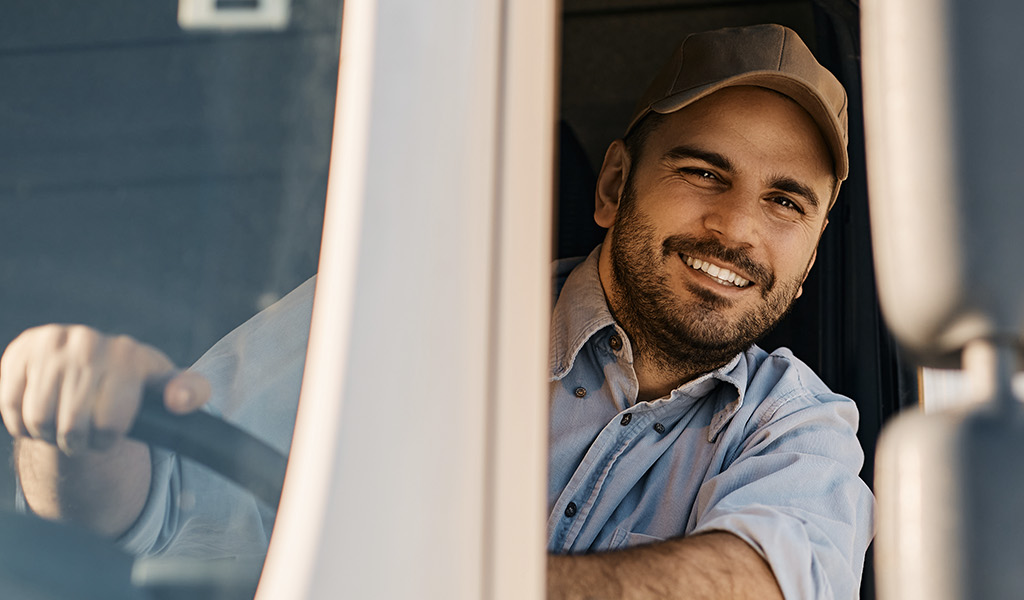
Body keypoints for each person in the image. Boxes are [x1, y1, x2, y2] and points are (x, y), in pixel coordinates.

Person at [0, 24, 872, 599]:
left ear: (807, 265)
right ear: (613, 186)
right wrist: (70, 431)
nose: (735, 229)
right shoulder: (402, 309)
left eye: (786, 202)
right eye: (702, 172)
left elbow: (758, 586)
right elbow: (151, 509)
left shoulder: (801, 427)